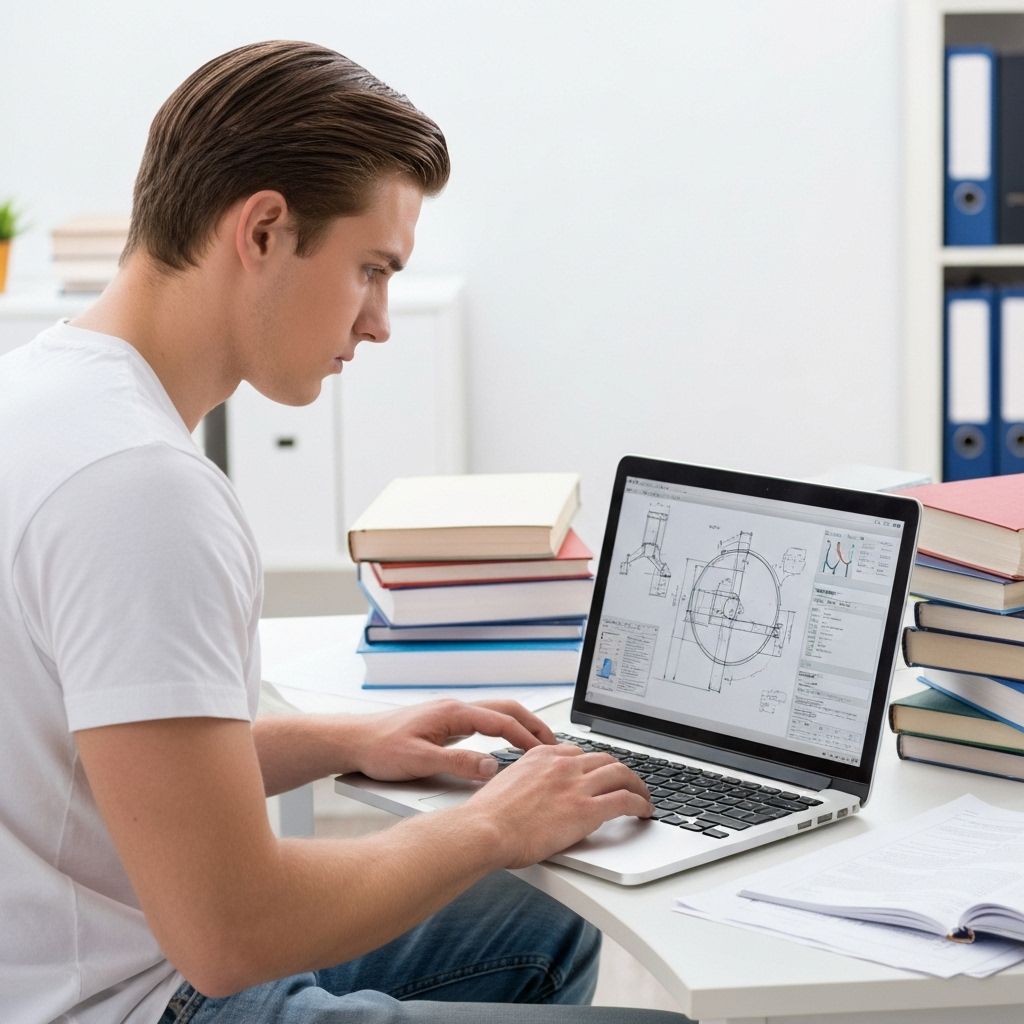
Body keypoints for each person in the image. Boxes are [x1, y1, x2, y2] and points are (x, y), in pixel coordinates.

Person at [0, 40, 689, 1024]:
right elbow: (229, 933)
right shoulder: (141, 490)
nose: (378, 324)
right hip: (140, 1001)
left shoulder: (41, 393)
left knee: (540, 925)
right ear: (266, 230)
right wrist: (493, 822)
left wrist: (354, 738)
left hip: (75, 962)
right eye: (370, 270)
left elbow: (117, 755)